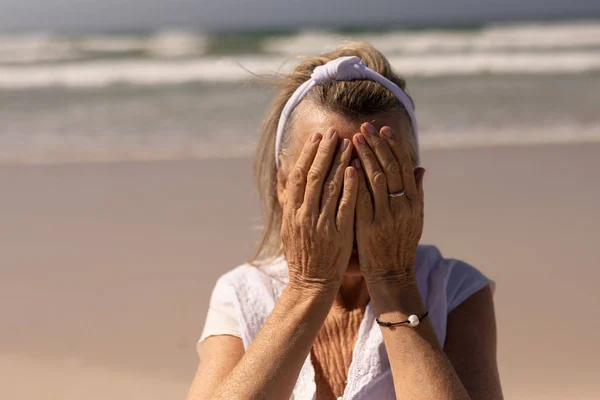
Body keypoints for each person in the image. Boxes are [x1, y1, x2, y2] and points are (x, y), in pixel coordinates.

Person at [187, 43, 503, 400]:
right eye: (328, 181)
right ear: (284, 186)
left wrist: (393, 282)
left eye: (375, 180)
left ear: (414, 188)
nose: (352, 205)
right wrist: (309, 287)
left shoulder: (454, 290)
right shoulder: (243, 292)